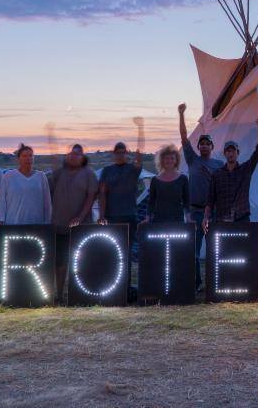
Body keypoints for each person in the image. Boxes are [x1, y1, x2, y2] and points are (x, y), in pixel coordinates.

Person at [178, 103, 223, 290]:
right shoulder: (192, 160)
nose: (204, 146)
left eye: (207, 144)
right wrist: (181, 114)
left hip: (212, 211)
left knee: (214, 250)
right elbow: (183, 138)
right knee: (194, 250)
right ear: (199, 147)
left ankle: (214, 282)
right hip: (195, 211)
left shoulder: (219, 164)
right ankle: (197, 283)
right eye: (202, 144)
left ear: (212, 146)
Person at [48, 143, 98, 301]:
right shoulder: (58, 173)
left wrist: (80, 217)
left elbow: (91, 198)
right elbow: (48, 193)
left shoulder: (89, 174)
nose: (74, 156)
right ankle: (60, 294)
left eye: (77, 154)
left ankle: (79, 294)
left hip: (81, 227)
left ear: (83, 157)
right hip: (59, 225)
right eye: (71, 153)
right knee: (60, 262)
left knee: (80, 261)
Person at [204, 119, 258, 229]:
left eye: (233, 151)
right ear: (224, 154)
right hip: (222, 219)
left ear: (237, 153)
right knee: (223, 247)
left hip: (241, 218)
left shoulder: (245, 169)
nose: (230, 153)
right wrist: (205, 217)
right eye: (228, 151)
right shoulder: (217, 174)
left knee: (243, 246)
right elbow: (210, 199)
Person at [98, 118, 145, 259]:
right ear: (114, 154)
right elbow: (102, 194)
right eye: (118, 152)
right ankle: (118, 281)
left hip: (129, 216)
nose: (120, 154)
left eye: (123, 152)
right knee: (113, 252)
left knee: (127, 251)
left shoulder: (132, 170)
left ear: (126, 153)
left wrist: (140, 129)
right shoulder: (107, 171)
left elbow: (140, 153)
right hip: (112, 217)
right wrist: (101, 215)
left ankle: (127, 281)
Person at [0, 144, 52, 225]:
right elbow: (2, 201)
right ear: (18, 159)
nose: (28, 158)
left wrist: (48, 221)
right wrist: (0, 220)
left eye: (30, 155)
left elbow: (47, 202)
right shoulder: (8, 176)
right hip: (13, 223)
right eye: (24, 156)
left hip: (36, 223)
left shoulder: (41, 176)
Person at [146, 144, 190, 223]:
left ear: (176, 160)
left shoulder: (183, 179)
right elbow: (151, 202)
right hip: (158, 221)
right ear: (162, 160)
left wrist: (188, 219)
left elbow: (186, 202)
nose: (169, 161)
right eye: (166, 158)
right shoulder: (155, 180)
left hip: (177, 220)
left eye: (172, 158)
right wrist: (147, 218)